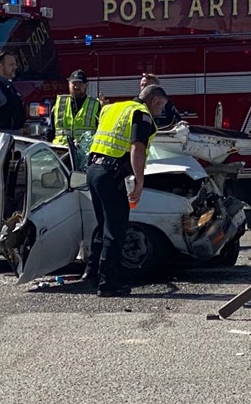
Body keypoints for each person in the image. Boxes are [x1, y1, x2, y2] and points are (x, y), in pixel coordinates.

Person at [84, 84, 167, 297]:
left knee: (103, 226)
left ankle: (92, 275)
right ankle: (108, 283)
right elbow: (137, 148)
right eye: (161, 107)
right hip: (111, 174)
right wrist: (140, 180)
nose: (160, 112)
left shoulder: (112, 108)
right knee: (116, 229)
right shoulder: (142, 115)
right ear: (155, 101)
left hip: (93, 170)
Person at [48, 69, 101, 147]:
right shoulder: (59, 103)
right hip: (61, 151)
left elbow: (101, 132)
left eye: (80, 84)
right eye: (74, 83)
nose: (76, 87)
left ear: (86, 85)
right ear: (69, 84)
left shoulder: (95, 105)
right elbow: (50, 131)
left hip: (85, 153)